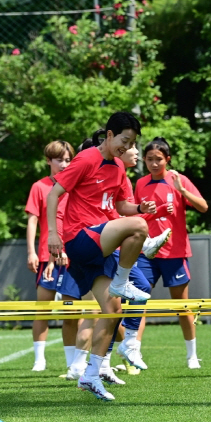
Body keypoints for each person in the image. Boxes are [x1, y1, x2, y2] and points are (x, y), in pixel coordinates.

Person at [48, 111, 156, 401]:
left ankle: (91, 375)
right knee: (140, 229)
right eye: (124, 140)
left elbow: (123, 206)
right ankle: (123, 279)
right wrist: (52, 234)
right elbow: (53, 194)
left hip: (101, 246)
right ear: (109, 135)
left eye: (132, 142)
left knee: (113, 313)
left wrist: (141, 208)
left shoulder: (118, 169)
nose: (127, 147)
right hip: (80, 239)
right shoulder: (86, 159)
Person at [134, 137, 209, 370]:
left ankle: (192, 356)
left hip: (174, 253)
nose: (154, 164)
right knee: (138, 301)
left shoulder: (179, 179)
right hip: (146, 253)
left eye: (158, 159)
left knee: (182, 306)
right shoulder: (139, 184)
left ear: (167, 159)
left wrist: (183, 191)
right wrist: (151, 214)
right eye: (149, 159)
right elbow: (133, 217)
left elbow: (203, 206)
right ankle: (133, 355)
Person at [25, 140, 76, 372]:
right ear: (48, 160)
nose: (64, 164)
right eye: (59, 160)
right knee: (42, 308)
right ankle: (39, 359)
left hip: (72, 256)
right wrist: (32, 252)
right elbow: (33, 220)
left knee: (70, 310)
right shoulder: (40, 187)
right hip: (48, 257)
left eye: (68, 160)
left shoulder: (76, 186)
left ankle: (71, 362)